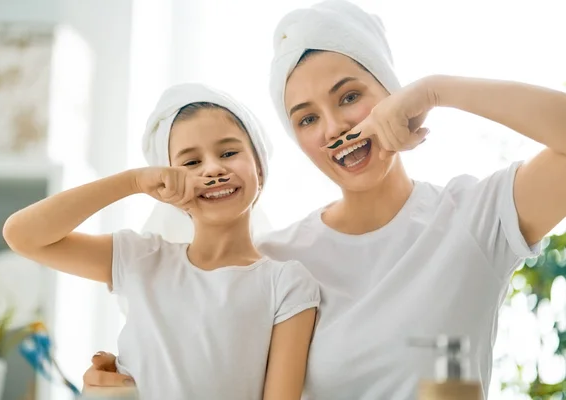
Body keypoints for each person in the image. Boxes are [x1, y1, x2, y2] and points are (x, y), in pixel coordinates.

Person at [83, 1, 566, 398]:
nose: (335, 127)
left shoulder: (476, 220)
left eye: (349, 96)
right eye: (307, 119)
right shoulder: (276, 265)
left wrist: (435, 91)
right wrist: (121, 381)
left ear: (392, 93)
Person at [3, 83, 320, 400]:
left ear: (260, 169)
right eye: (191, 163)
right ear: (168, 185)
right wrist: (134, 181)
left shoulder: (286, 283)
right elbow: (22, 236)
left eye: (228, 152)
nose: (213, 169)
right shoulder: (140, 258)